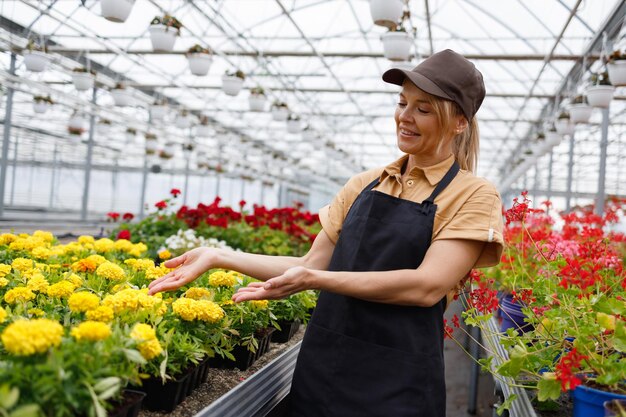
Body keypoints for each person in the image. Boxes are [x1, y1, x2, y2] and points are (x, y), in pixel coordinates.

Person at [148, 49, 504, 417]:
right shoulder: (365, 184)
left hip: (398, 385)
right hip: (320, 374)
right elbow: (308, 263)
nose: (405, 117)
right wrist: (218, 256)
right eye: (402, 103)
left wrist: (317, 279)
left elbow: (426, 286)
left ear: (459, 122)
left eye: (423, 109)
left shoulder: (473, 194)